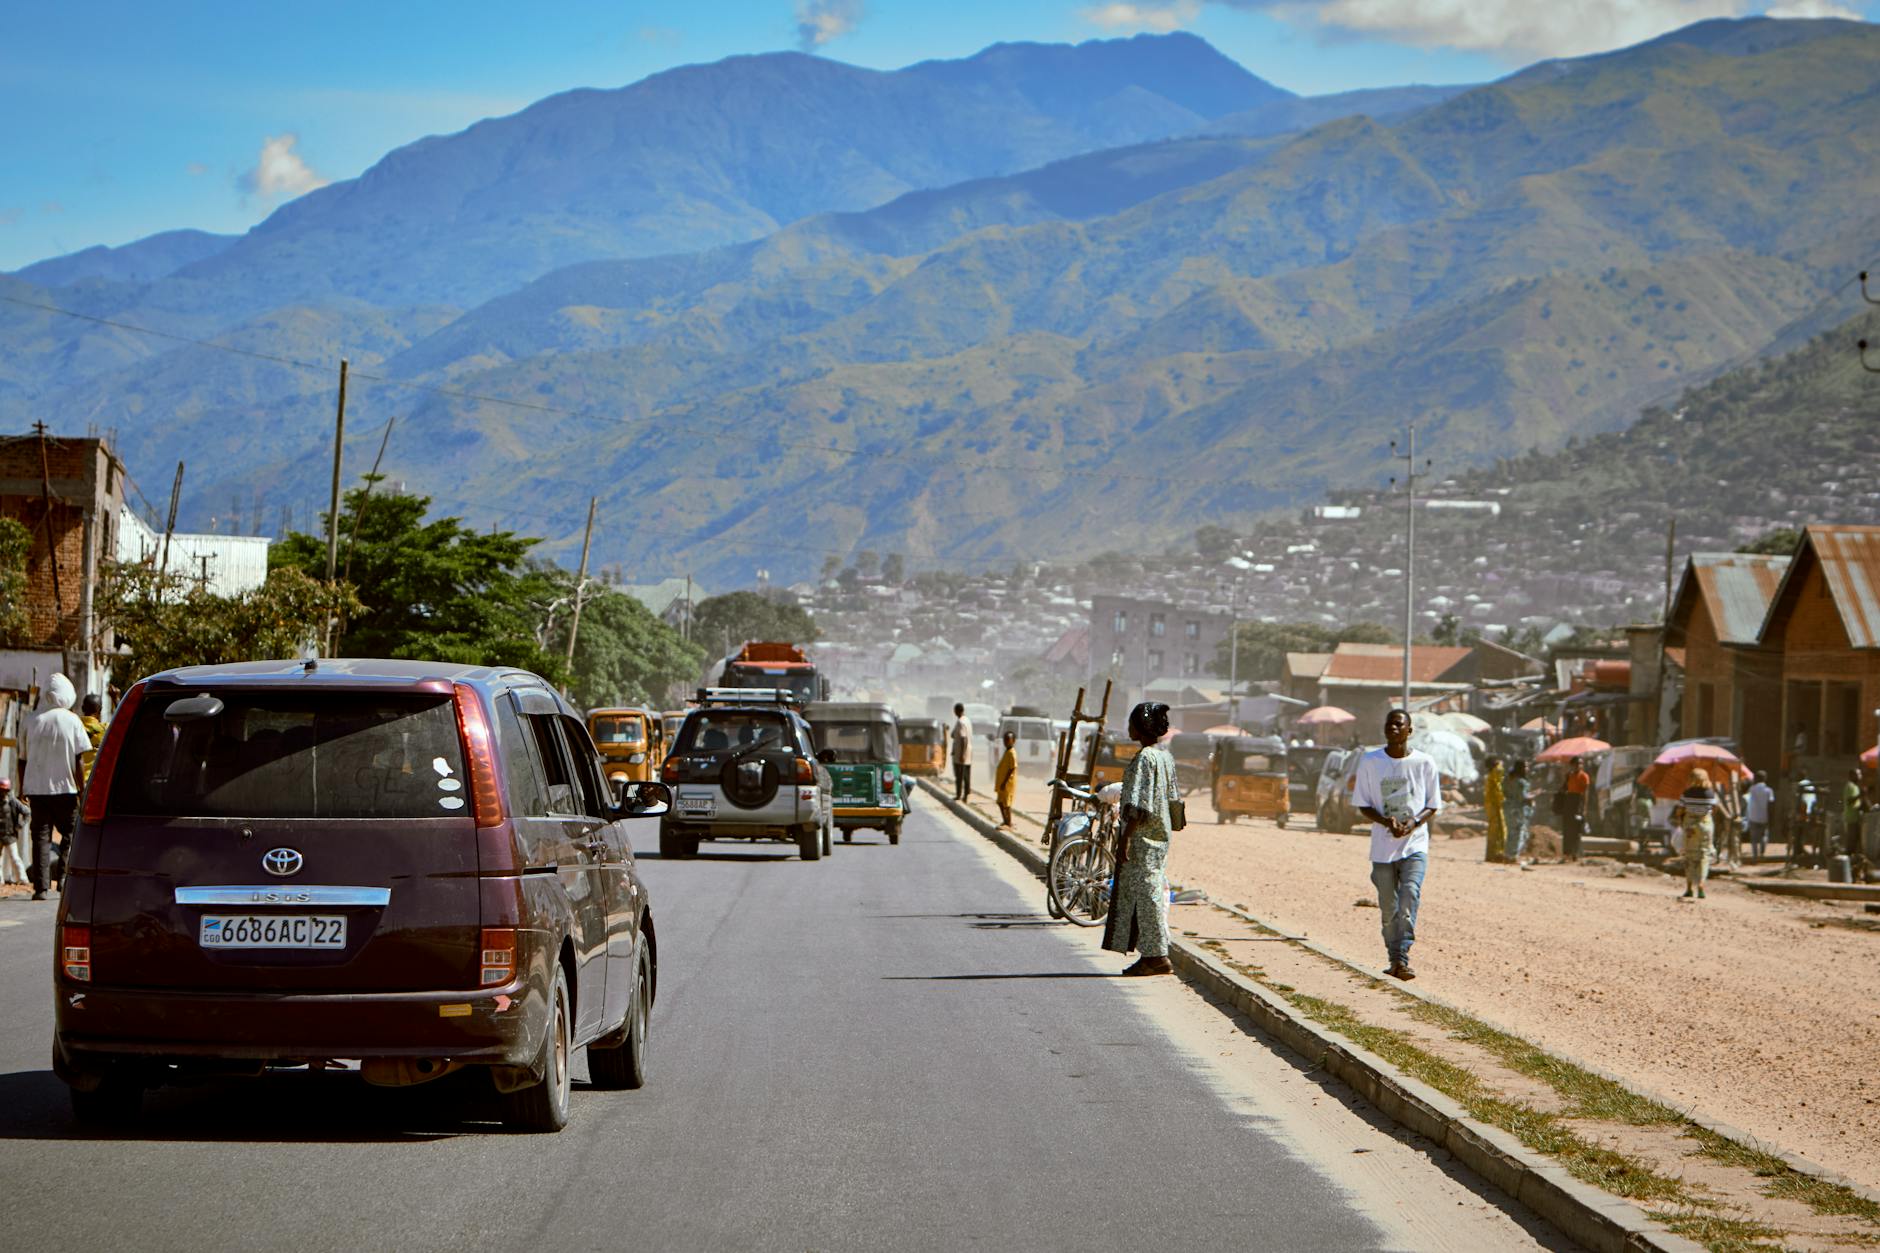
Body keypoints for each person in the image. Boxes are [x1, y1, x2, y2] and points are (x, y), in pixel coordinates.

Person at [1352, 708, 1442, 980]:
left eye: (1398, 725)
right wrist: (1385, 821)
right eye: (1389, 724)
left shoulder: (1425, 763)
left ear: (1409, 731)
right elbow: (1362, 805)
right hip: (1382, 848)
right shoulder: (1370, 762)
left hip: (1414, 845)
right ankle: (1393, 958)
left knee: (1409, 895)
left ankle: (1402, 958)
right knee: (1389, 907)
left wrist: (1413, 823)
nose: (1393, 728)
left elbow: (1432, 805)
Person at [1101, 701, 1178, 977]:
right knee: (1150, 892)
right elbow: (1173, 802)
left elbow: (1139, 804)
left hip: (1143, 839)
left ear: (1142, 727)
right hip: (1161, 836)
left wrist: (1125, 840)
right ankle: (1152, 954)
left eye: (1132, 723)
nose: (1129, 728)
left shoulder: (1145, 758)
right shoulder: (1165, 757)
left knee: (1147, 896)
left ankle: (1156, 957)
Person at [22, 673, 91, 901]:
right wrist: (82, 789)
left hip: (38, 790)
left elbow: (22, 759)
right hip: (66, 789)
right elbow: (79, 759)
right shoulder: (72, 721)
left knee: (40, 837)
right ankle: (63, 880)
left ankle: (41, 888)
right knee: (70, 834)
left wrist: (24, 786)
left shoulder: (31, 720)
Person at [1674, 767, 1719, 900]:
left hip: (1690, 828)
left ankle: (1689, 888)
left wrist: (1681, 817)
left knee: (1690, 856)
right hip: (1706, 826)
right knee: (1704, 856)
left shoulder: (1687, 793)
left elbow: (1680, 811)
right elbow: (1713, 809)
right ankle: (1701, 885)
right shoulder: (1711, 794)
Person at [1560, 757, 1590, 862]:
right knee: (1567, 829)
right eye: (1576, 764)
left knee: (1576, 830)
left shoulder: (1584, 776)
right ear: (1572, 765)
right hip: (1569, 802)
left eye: (1580, 764)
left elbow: (1585, 793)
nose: (1578, 766)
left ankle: (1575, 853)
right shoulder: (1569, 775)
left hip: (1578, 802)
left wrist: (1584, 808)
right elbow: (1564, 790)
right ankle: (1566, 853)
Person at [0, 780, 29, 886]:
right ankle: (1, 879)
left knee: (15, 857)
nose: (3, 793)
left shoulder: (13, 801)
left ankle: (22, 878)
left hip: (10, 835)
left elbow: (26, 812)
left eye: (5, 790)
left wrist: (20, 825)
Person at [1503, 760, 1532, 862]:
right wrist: (1532, 796)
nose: (1527, 769)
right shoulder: (1522, 782)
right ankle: (1513, 856)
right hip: (1518, 810)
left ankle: (1507, 854)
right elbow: (1522, 797)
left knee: (1511, 832)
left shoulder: (1507, 779)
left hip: (1508, 808)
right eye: (1526, 767)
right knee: (1520, 832)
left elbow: (1504, 792)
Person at [1745, 770, 1774, 862]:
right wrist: (1771, 816)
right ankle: (1762, 852)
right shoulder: (1769, 790)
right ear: (1765, 779)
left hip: (1753, 816)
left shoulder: (1751, 789)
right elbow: (1771, 804)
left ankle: (1755, 856)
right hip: (1764, 816)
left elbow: (1747, 800)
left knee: (1753, 838)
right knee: (1764, 835)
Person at [78, 693, 107, 782]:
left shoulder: (74, 727)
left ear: (82, 708)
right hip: (95, 782)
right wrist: (116, 699)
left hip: (76, 781)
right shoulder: (105, 730)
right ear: (100, 710)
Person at [1482, 756, 1506, 863]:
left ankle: (1492, 854)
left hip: (1491, 805)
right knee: (1499, 830)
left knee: (1494, 830)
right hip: (1495, 805)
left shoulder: (1491, 775)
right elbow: (1498, 789)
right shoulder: (1496, 773)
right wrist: (1504, 800)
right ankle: (1497, 854)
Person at [994, 731, 1018, 830]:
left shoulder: (1012, 753)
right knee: (1000, 802)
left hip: (1008, 783)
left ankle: (1009, 823)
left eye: (1008, 740)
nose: (1006, 742)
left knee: (1007, 804)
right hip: (1002, 782)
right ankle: (1005, 821)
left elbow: (1012, 768)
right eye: (1005, 740)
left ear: (1013, 741)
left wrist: (1004, 782)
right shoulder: (1007, 751)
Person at [951, 703, 974, 801]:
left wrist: (962, 754)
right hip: (968, 752)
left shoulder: (961, 722)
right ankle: (966, 794)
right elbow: (954, 735)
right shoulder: (967, 720)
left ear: (957, 711)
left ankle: (959, 795)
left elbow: (964, 738)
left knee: (959, 776)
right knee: (966, 775)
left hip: (961, 753)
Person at [1842, 769, 1865, 860]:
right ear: (1851, 775)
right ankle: (1845, 864)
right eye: (1857, 774)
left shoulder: (1855, 786)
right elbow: (1849, 801)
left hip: (1856, 818)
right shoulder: (1850, 786)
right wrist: (1860, 795)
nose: (1860, 776)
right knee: (1851, 843)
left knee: (1856, 843)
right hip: (1851, 818)